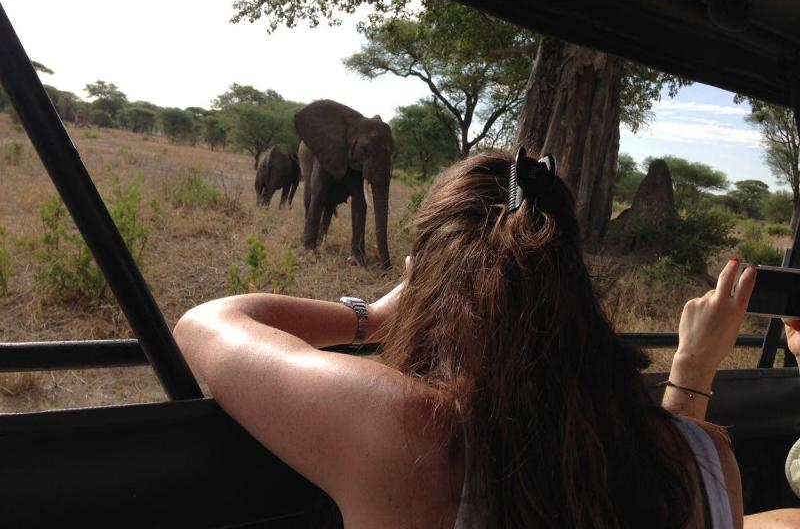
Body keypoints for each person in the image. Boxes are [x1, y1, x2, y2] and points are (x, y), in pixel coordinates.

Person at [174, 150, 753, 528]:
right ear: (576, 278)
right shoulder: (710, 461)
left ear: (422, 274)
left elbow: (204, 323)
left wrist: (371, 317)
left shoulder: (406, 429)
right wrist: (692, 368)